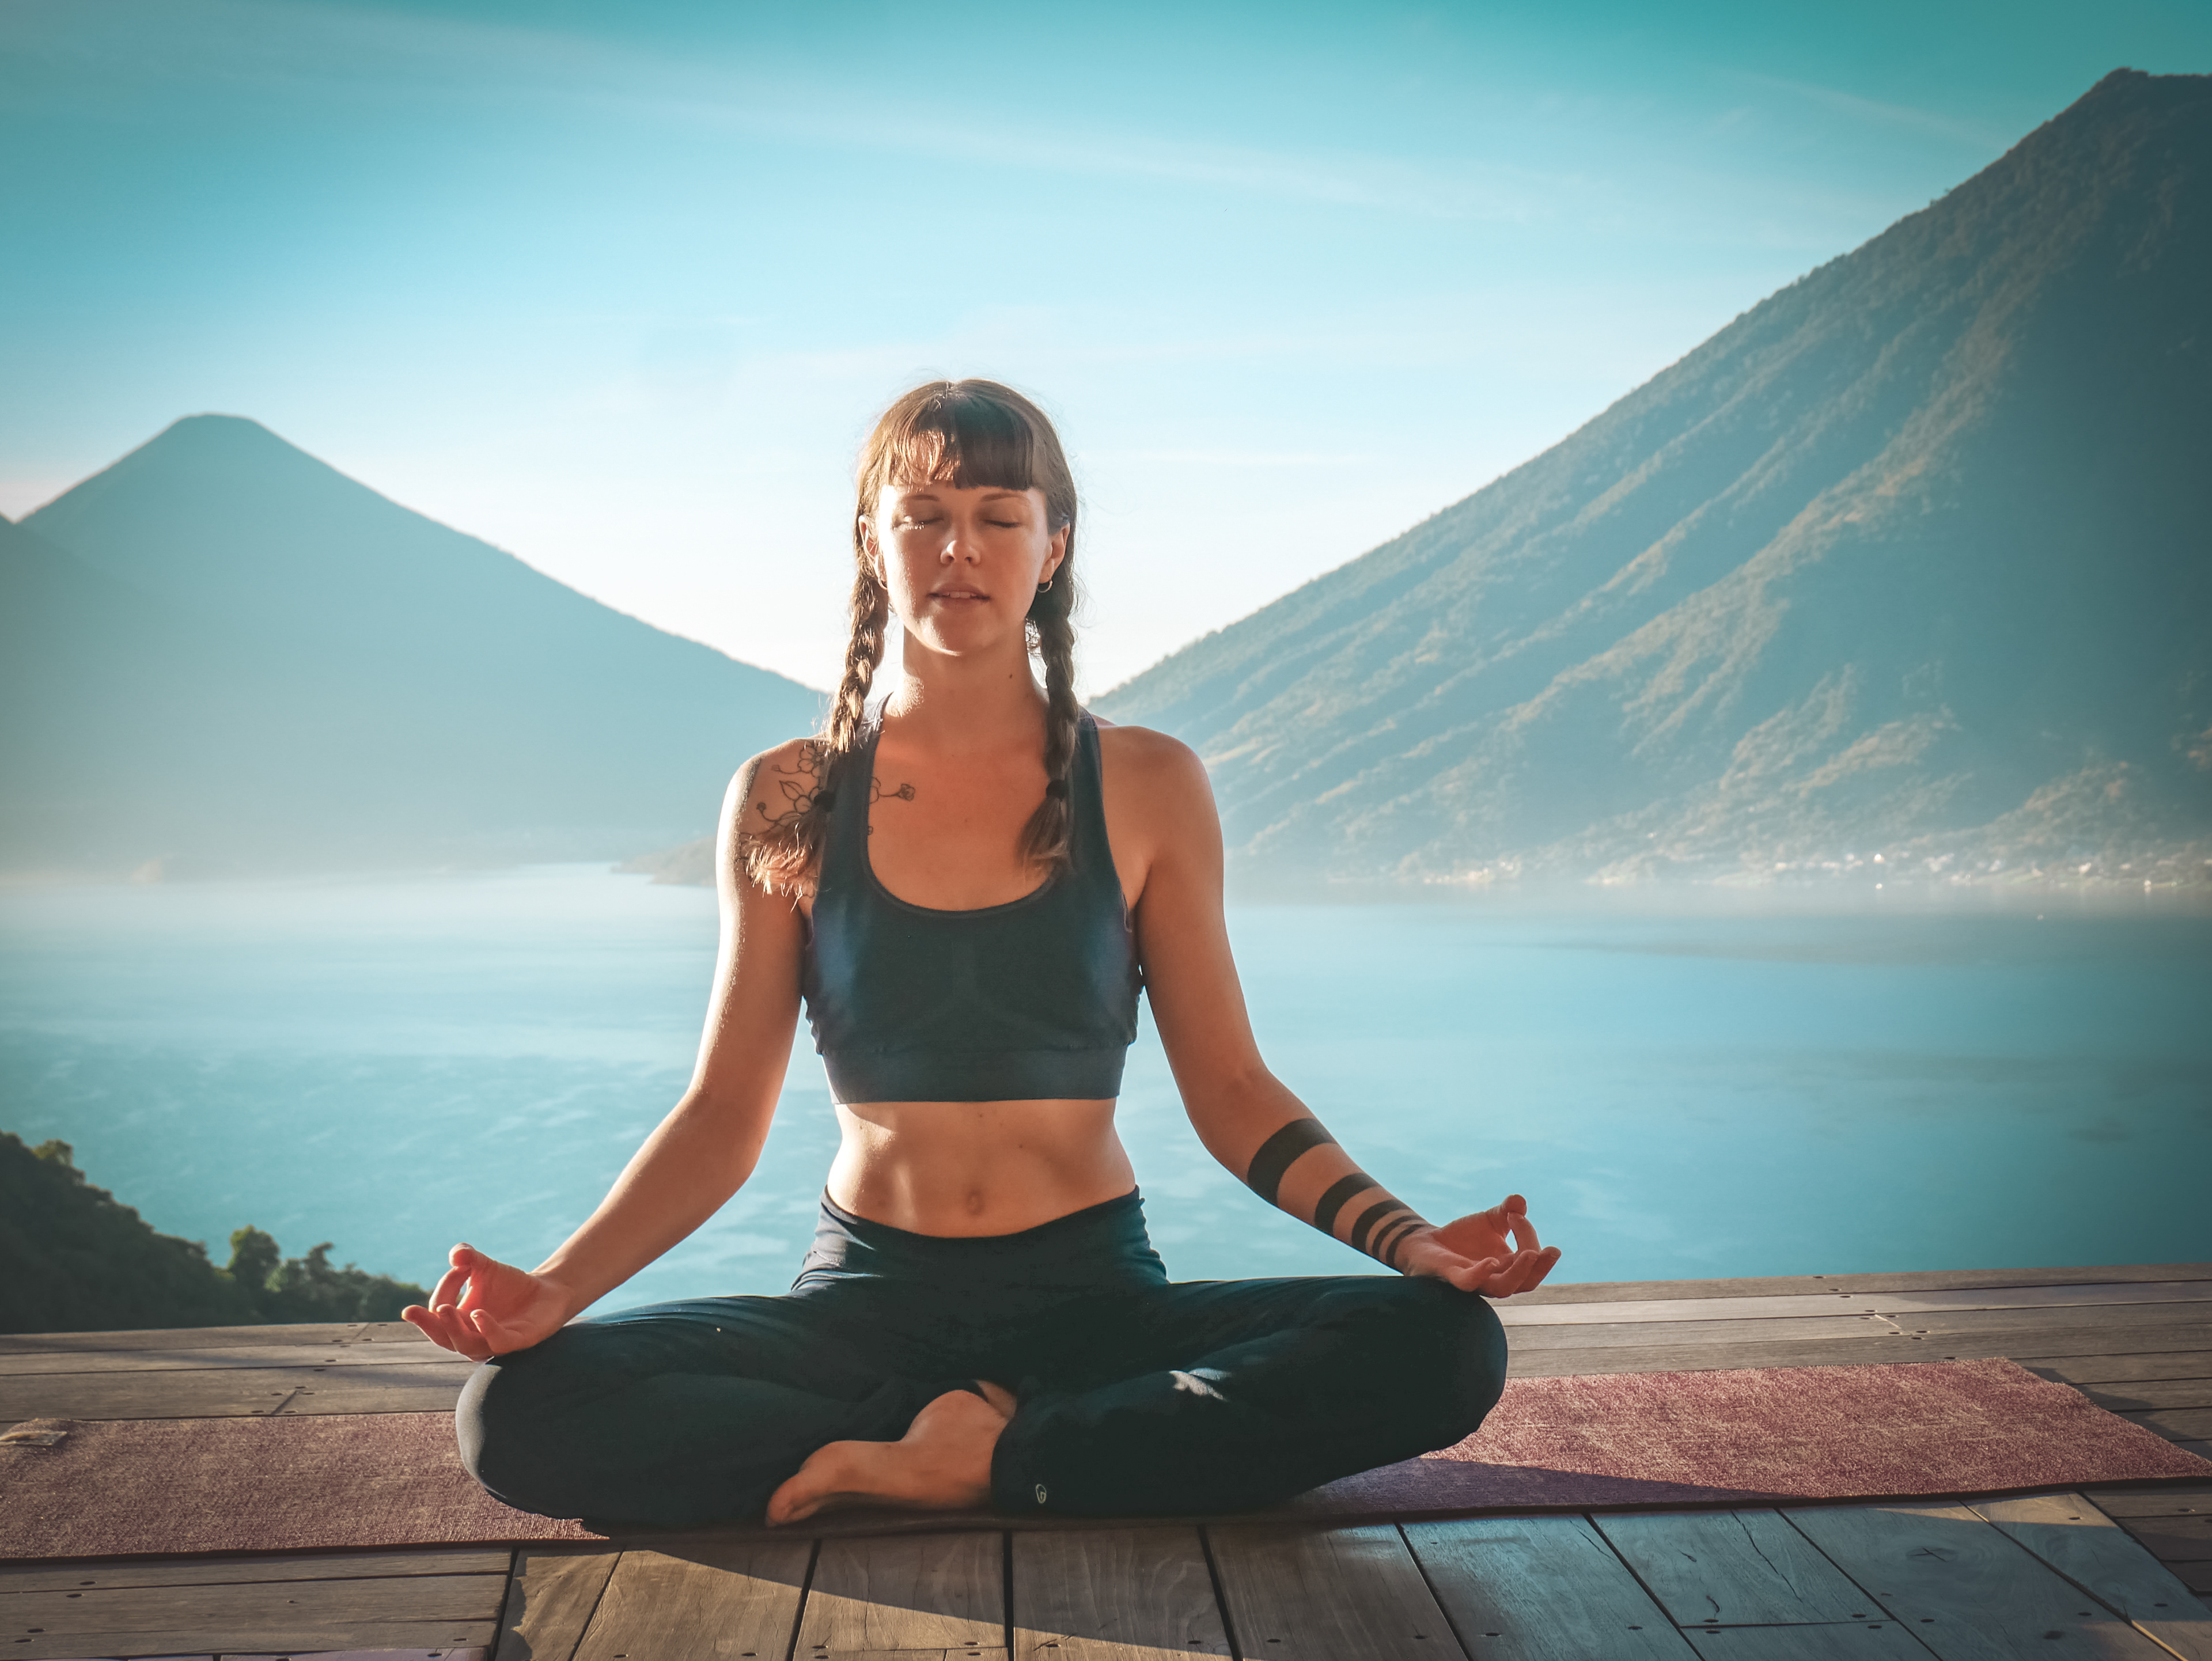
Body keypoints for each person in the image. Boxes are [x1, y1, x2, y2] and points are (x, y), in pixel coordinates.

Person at [402, 379, 1562, 1527]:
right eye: (924, 516)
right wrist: (553, 1290)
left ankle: (970, 1461)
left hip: (1092, 1304)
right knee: (514, 1411)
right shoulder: (788, 793)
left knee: (1445, 1344)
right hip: (865, 1309)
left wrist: (1406, 1238)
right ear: (874, 543)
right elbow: (720, 1115)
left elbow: (1233, 1088)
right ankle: (1048, 1453)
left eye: (1001, 517)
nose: (961, 548)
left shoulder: (1150, 784)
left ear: (1052, 547)